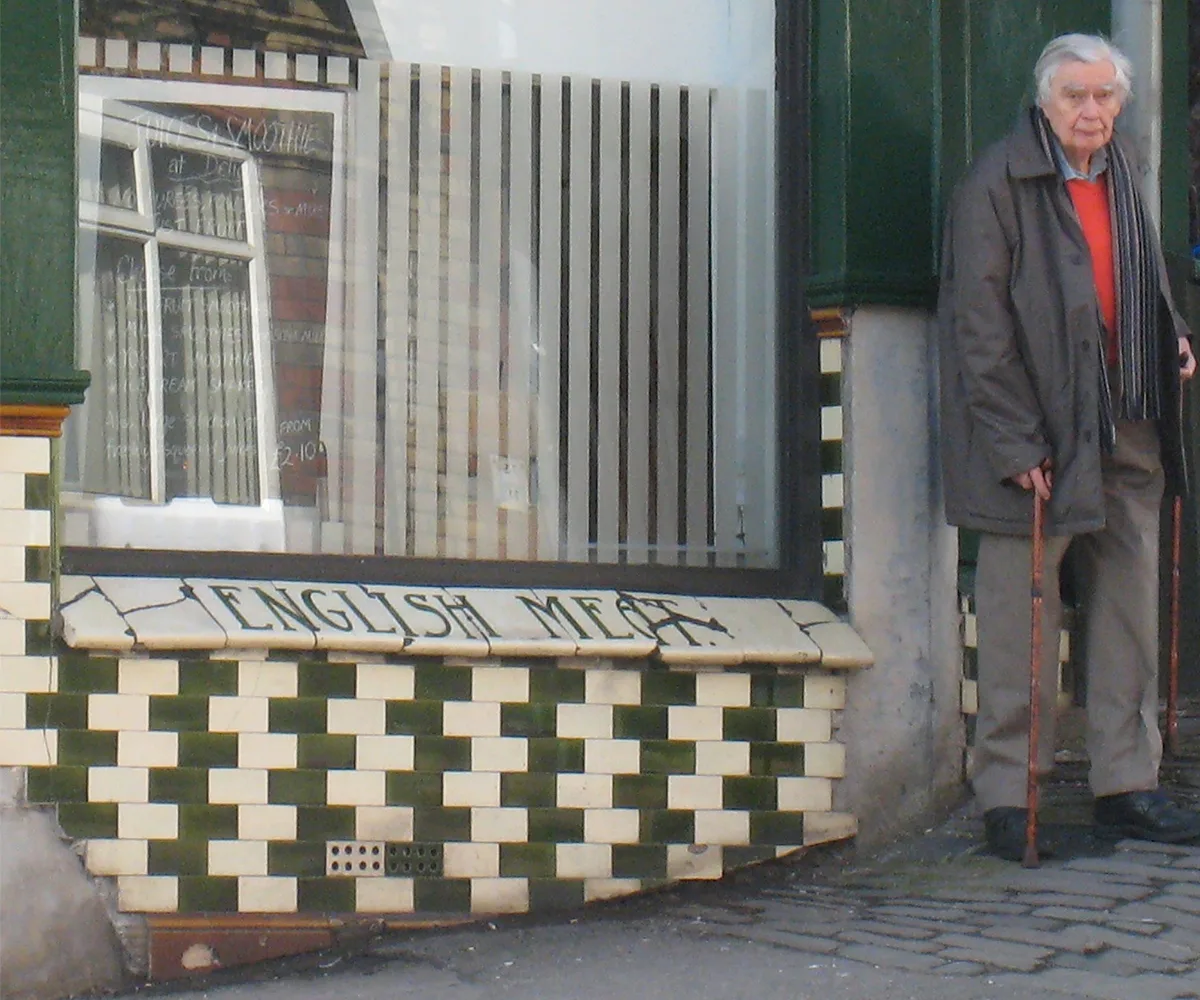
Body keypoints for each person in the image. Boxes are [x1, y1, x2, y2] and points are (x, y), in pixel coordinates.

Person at [938, 32, 1198, 861]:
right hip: (1036, 438)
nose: (1093, 111)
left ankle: (1130, 784)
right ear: (1044, 102)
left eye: (1106, 96)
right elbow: (977, 328)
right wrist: (1015, 442)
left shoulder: (1123, 174)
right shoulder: (998, 184)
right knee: (1023, 621)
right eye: (1076, 97)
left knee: (1130, 608)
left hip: (1128, 416)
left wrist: (1175, 335)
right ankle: (1012, 800)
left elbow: (1140, 282)